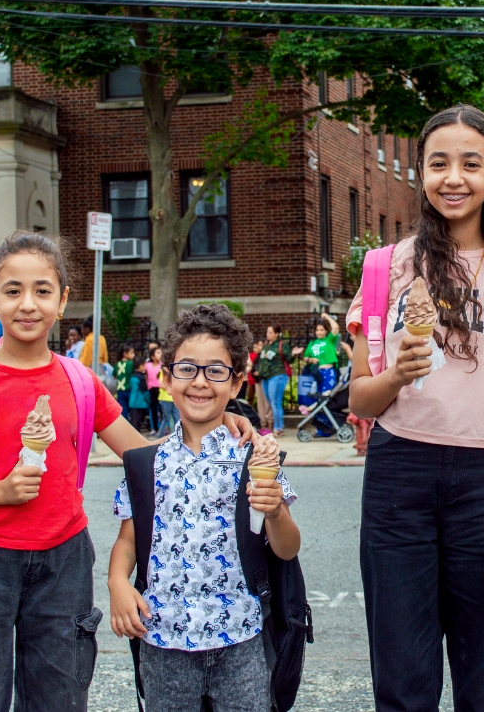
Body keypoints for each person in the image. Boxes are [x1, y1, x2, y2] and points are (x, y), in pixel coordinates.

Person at [348, 104, 484, 710]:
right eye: (438, 163)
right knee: (402, 677)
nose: (452, 178)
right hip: (400, 472)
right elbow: (360, 396)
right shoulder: (387, 266)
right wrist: (396, 375)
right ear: (422, 173)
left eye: (469, 164)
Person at [0, 231, 148, 712]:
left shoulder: (80, 381)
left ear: (62, 302)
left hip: (64, 560)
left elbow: (143, 455)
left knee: (58, 698)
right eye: (12, 291)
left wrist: (217, 420)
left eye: (42, 290)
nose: (27, 304)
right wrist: (0, 490)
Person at [107, 304, 300, 712]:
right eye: (187, 369)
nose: (199, 382)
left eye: (216, 371)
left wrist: (276, 511)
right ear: (167, 376)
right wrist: (118, 584)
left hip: (240, 638)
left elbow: (286, 548)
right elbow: (128, 541)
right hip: (163, 640)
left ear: (236, 384)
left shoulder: (254, 459)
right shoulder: (145, 464)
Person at [255, 324, 289, 438]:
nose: (267, 334)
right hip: (266, 378)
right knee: (271, 402)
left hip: (277, 376)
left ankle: (278, 428)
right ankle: (277, 427)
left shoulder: (281, 345)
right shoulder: (266, 345)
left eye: (270, 332)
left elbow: (289, 359)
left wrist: (293, 353)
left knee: (276, 403)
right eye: (267, 332)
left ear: (276, 334)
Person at [293, 312, 341, 394]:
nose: (319, 332)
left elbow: (336, 328)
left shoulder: (329, 340)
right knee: (315, 395)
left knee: (326, 396)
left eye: (321, 330)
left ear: (326, 331)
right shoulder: (312, 343)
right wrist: (310, 360)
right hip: (315, 373)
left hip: (328, 372)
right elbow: (305, 357)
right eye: (317, 330)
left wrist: (327, 317)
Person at [128, 356, 151, 432]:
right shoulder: (141, 378)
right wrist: (149, 400)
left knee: (134, 421)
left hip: (132, 402)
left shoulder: (133, 376)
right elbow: (145, 391)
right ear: (141, 366)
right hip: (139, 403)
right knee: (138, 422)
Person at [145, 346, 165, 433]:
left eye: (161, 352)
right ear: (152, 356)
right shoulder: (147, 365)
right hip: (152, 389)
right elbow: (146, 376)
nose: (160, 355)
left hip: (160, 389)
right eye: (158, 353)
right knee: (153, 409)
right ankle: (155, 428)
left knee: (162, 409)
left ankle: (164, 428)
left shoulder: (162, 365)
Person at [115, 345, 136, 420]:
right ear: (125, 354)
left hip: (120, 390)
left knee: (123, 410)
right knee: (132, 409)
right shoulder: (130, 363)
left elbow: (114, 376)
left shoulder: (117, 364)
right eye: (131, 353)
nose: (133, 355)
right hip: (129, 388)